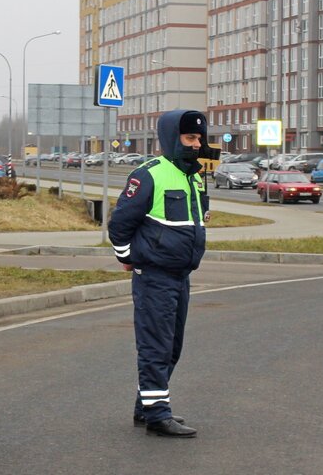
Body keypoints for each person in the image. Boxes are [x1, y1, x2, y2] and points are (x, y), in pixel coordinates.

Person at [107, 109, 214, 439]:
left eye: (199, 138)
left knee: (172, 347)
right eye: (189, 138)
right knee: (156, 346)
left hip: (180, 275)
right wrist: (129, 259)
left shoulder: (193, 176)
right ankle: (158, 415)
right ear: (172, 138)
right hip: (154, 275)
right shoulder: (149, 174)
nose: (196, 145)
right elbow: (119, 224)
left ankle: (147, 405)